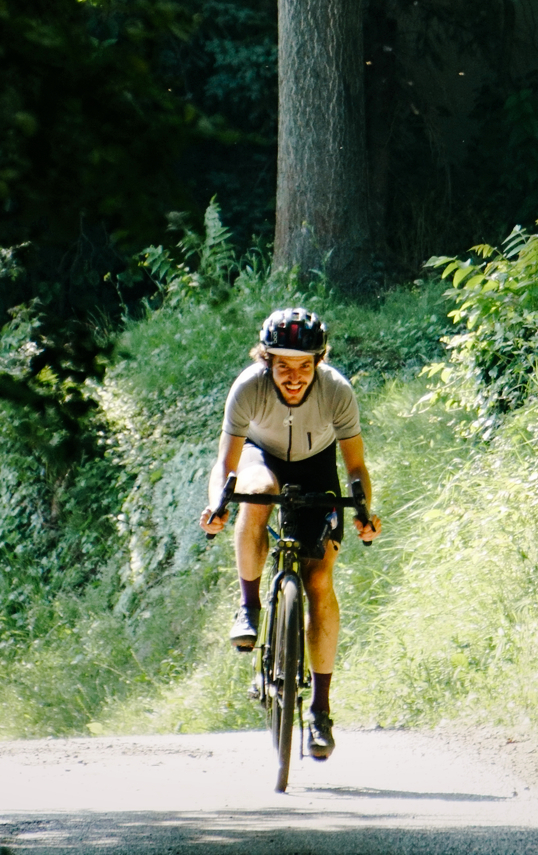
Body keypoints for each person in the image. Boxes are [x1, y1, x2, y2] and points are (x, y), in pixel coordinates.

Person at [199, 307, 380, 762]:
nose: (294, 377)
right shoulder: (248, 388)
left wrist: (364, 512)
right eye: (283, 365)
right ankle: (249, 606)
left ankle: (319, 710)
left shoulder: (337, 391)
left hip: (318, 467)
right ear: (266, 361)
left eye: (304, 366)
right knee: (256, 493)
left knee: (320, 581)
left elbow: (355, 466)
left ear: (318, 362)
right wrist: (218, 505)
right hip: (264, 458)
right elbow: (226, 463)